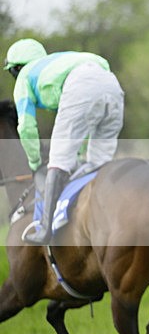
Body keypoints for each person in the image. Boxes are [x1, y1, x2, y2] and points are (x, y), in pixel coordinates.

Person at [4, 38, 125, 245]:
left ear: (16, 68)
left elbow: (26, 127)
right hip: (111, 83)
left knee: (58, 161)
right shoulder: (56, 65)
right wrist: (78, 153)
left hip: (81, 85)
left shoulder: (25, 76)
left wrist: (35, 163)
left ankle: (45, 228)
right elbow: (82, 122)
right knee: (97, 163)